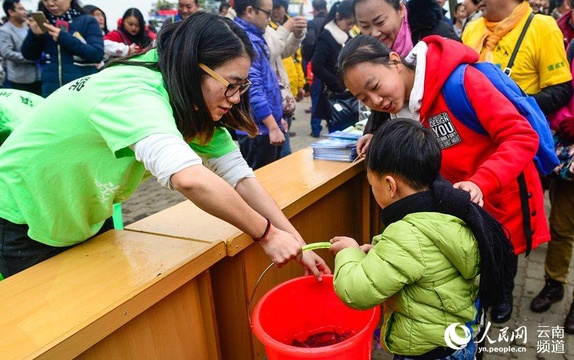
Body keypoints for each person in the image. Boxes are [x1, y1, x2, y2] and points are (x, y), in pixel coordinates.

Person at [0, 12, 329, 280]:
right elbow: (189, 178)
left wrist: (300, 245)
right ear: (192, 67)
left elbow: (241, 178)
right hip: (23, 210)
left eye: (243, 86)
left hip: (81, 208)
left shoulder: (192, 103)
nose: (237, 98)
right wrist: (267, 235)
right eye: (232, 85)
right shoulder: (134, 93)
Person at [337, 34, 551, 324]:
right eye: (364, 99)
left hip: (497, 198)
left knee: (500, 262)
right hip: (459, 208)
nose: (376, 101)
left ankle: (501, 297)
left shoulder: (460, 83)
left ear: (394, 61)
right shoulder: (400, 108)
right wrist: (379, 139)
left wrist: (481, 181)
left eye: (375, 87)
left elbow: (522, 136)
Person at [330, 118, 514, 360]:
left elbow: (357, 292)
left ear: (389, 185)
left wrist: (349, 252)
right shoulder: (446, 208)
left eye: (371, 184)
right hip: (456, 342)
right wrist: (377, 252)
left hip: (425, 350)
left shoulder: (407, 234)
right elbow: (424, 261)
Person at [462, 0, 573, 323]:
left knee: (510, 228)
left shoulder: (542, 26)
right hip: (474, 152)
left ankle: (505, 291)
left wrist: (509, 103)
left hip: (513, 148)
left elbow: (561, 88)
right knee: (476, 222)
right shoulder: (472, 28)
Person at [352, 0, 460, 153]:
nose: (374, 33)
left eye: (380, 22)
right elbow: (381, 93)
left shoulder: (434, 33)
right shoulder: (374, 50)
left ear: (401, 9)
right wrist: (373, 131)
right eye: (365, 26)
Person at [234, 0, 286, 169]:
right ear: (250, 11)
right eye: (267, 13)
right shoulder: (245, 42)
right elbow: (252, 90)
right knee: (261, 183)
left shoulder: (253, 37)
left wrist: (277, 119)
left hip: (262, 127)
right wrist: (272, 125)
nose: (269, 19)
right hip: (257, 131)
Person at [21, 0, 103, 97]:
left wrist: (63, 37)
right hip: (51, 91)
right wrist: (34, 35)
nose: (50, 4)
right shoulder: (44, 23)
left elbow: (97, 55)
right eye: (45, 0)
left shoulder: (88, 21)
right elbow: (28, 55)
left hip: (81, 90)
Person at [268, 0, 307, 158]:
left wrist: (297, 35)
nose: (274, 11)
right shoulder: (268, 29)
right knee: (282, 153)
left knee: (284, 150)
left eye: (278, 7)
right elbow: (269, 50)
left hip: (284, 93)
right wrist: (286, 29)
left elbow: (288, 54)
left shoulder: (274, 27)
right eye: (271, 8)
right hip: (269, 101)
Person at [311, 1, 356, 134]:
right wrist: (338, 84)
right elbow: (316, 65)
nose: (350, 27)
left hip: (350, 95)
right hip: (337, 97)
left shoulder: (348, 37)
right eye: (348, 23)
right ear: (337, 16)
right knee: (340, 134)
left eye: (353, 23)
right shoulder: (327, 36)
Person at [0, 0, 41, 95]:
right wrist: (30, 58)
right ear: (11, 12)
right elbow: (6, 53)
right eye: (21, 9)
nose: (24, 12)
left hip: (37, 76)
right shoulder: (5, 31)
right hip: (20, 79)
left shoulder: (28, 28)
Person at [302, 0, 328, 138]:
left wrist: (308, 57)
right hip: (331, 68)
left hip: (317, 67)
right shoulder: (331, 21)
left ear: (314, 9)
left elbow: (309, 42)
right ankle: (333, 125)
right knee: (332, 97)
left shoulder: (312, 23)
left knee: (316, 98)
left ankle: (316, 129)